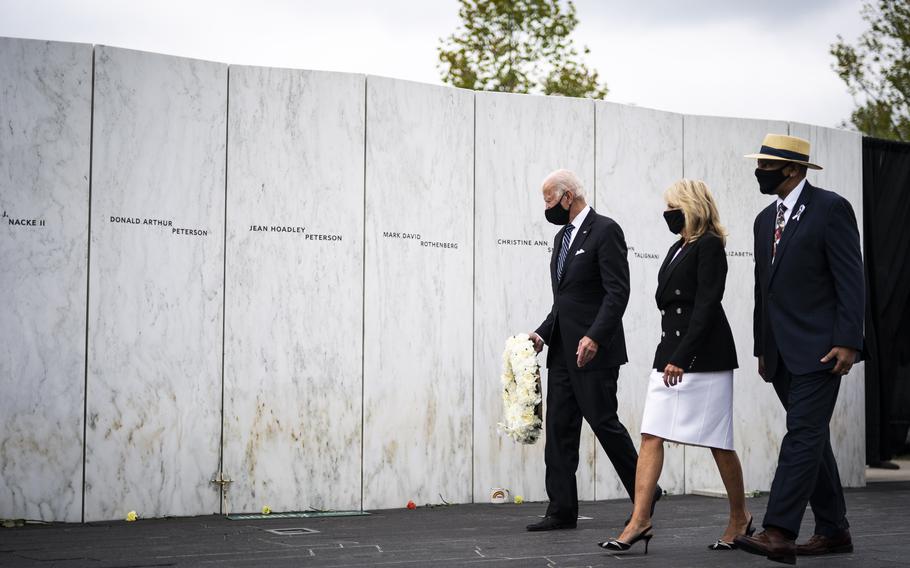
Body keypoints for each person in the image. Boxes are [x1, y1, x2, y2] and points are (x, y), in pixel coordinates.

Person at [598, 179, 752, 554]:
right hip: (668, 355)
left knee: (718, 441)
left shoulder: (711, 246)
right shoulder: (676, 248)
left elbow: (706, 305)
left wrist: (683, 358)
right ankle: (640, 519)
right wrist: (671, 356)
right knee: (651, 433)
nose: (666, 213)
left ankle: (740, 517)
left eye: (671, 206)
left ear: (690, 206)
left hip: (703, 358)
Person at [734, 134, 863, 565]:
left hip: (822, 350)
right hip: (780, 353)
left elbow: (850, 279)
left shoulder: (831, 208)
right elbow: (762, 291)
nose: (760, 172)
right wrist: (761, 348)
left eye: (767, 166)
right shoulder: (762, 219)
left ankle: (778, 531)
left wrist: (849, 340)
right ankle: (834, 531)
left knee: (802, 436)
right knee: (813, 439)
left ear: (792, 169)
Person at [527, 169, 660, 532]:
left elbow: (618, 292)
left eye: (549, 200)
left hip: (595, 353)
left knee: (604, 424)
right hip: (563, 355)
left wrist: (595, 337)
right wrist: (541, 335)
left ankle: (646, 495)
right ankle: (561, 510)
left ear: (568, 196)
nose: (547, 207)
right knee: (559, 430)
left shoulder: (605, 230)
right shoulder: (560, 239)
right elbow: (564, 302)